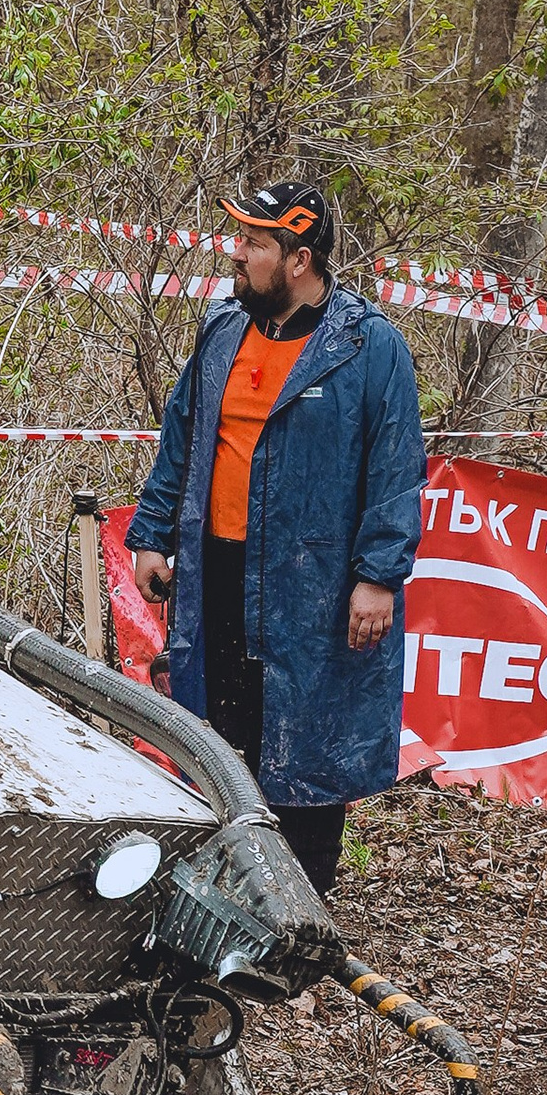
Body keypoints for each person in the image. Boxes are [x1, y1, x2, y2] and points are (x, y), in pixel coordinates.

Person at [122, 179, 426, 897]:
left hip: (313, 588)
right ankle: (222, 896)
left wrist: (379, 575)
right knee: (216, 740)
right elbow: (183, 436)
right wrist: (153, 533)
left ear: (299, 259)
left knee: (306, 755)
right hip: (216, 573)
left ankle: (298, 917)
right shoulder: (222, 327)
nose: (238, 255)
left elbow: (396, 468)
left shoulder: (366, 345)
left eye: (256, 244)